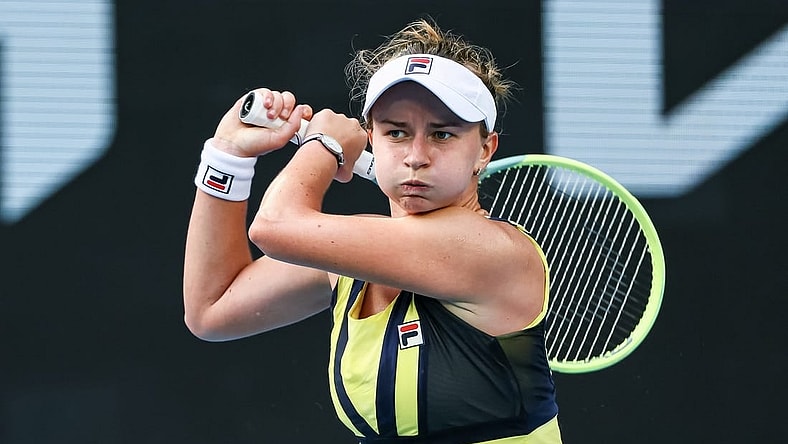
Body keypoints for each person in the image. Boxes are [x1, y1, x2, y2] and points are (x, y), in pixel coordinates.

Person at [183, 18, 562, 443]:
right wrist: (227, 156)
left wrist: (323, 144)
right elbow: (211, 311)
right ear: (370, 139)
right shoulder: (355, 256)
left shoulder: (487, 249)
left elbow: (274, 226)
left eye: (442, 134)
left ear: (484, 150)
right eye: (396, 132)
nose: (416, 156)